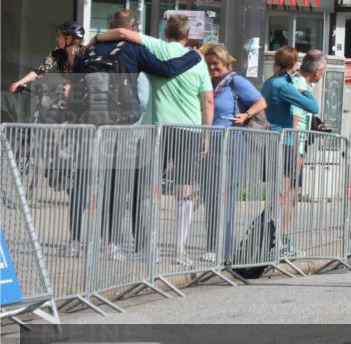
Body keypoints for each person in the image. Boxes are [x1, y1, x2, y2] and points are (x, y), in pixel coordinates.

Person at [92, 14, 214, 266]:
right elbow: (208, 101)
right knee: (184, 189)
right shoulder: (198, 60)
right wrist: (206, 135)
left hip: (156, 128)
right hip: (189, 130)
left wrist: (95, 38)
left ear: (165, 32)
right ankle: (179, 249)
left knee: (146, 188)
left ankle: (148, 246)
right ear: (187, 35)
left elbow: (123, 33)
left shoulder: (154, 46)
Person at [201, 43, 267, 264]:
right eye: (208, 64)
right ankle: (213, 245)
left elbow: (261, 101)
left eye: (215, 63)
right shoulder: (210, 82)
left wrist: (245, 115)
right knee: (210, 195)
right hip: (212, 144)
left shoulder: (235, 81)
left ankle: (226, 248)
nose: (211, 68)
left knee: (225, 196)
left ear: (225, 63)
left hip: (232, 142)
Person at [262, 46, 320, 256]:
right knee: (287, 194)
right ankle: (281, 241)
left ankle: (270, 237)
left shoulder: (269, 82)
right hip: (286, 143)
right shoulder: (284, 86)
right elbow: (313, 108)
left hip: (272, 140)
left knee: (279, 193)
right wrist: (305, 91)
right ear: (293, 63)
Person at [9, 21, 86, 123]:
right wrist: (20, 82)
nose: (57, 39)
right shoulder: (58, 52)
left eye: (59, 36)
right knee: (50, 115)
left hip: (85, 98)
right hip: (67, 96)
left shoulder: (85, 53)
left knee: (77, 123)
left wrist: (72, 84)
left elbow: (90, 76)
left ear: (69, 39)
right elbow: (40, 70)